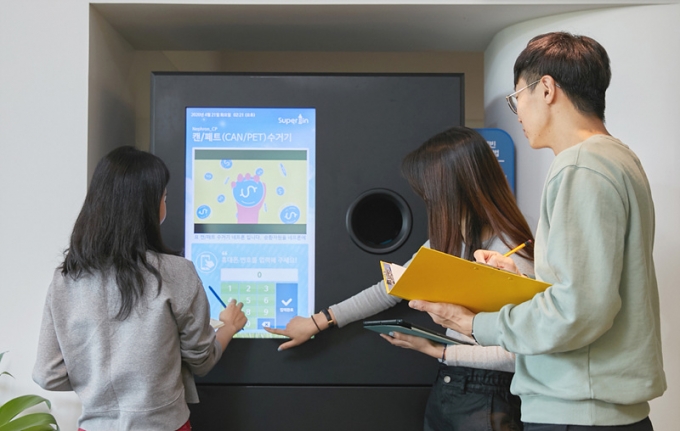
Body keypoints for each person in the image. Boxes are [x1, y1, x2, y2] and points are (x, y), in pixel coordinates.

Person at [410, 33, 666, 430]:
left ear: (546, 89)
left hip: (577, 412)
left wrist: (475, 324)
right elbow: (586, 292)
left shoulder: (580, 166)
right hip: (595, 408)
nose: (518, 114)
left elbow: (577, 311)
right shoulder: (618, 159)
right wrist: (518, 281)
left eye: (517, 98)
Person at [266, 126, 535, 431]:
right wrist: (318, 321)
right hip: (448, 386)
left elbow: (520, 353)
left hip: (489, 396)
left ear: (453, 188)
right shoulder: (449, 242)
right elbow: (390, 289)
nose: (426, 198)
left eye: (429, 190)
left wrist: (439, 351)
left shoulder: (512, 253)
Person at [33, 146, 247, 431]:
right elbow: (202, 361)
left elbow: (48, 374)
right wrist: (229, 327)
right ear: (149, 206)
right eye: (164, 197)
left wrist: (97, 381)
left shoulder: (66, 279)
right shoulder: (177, 272)